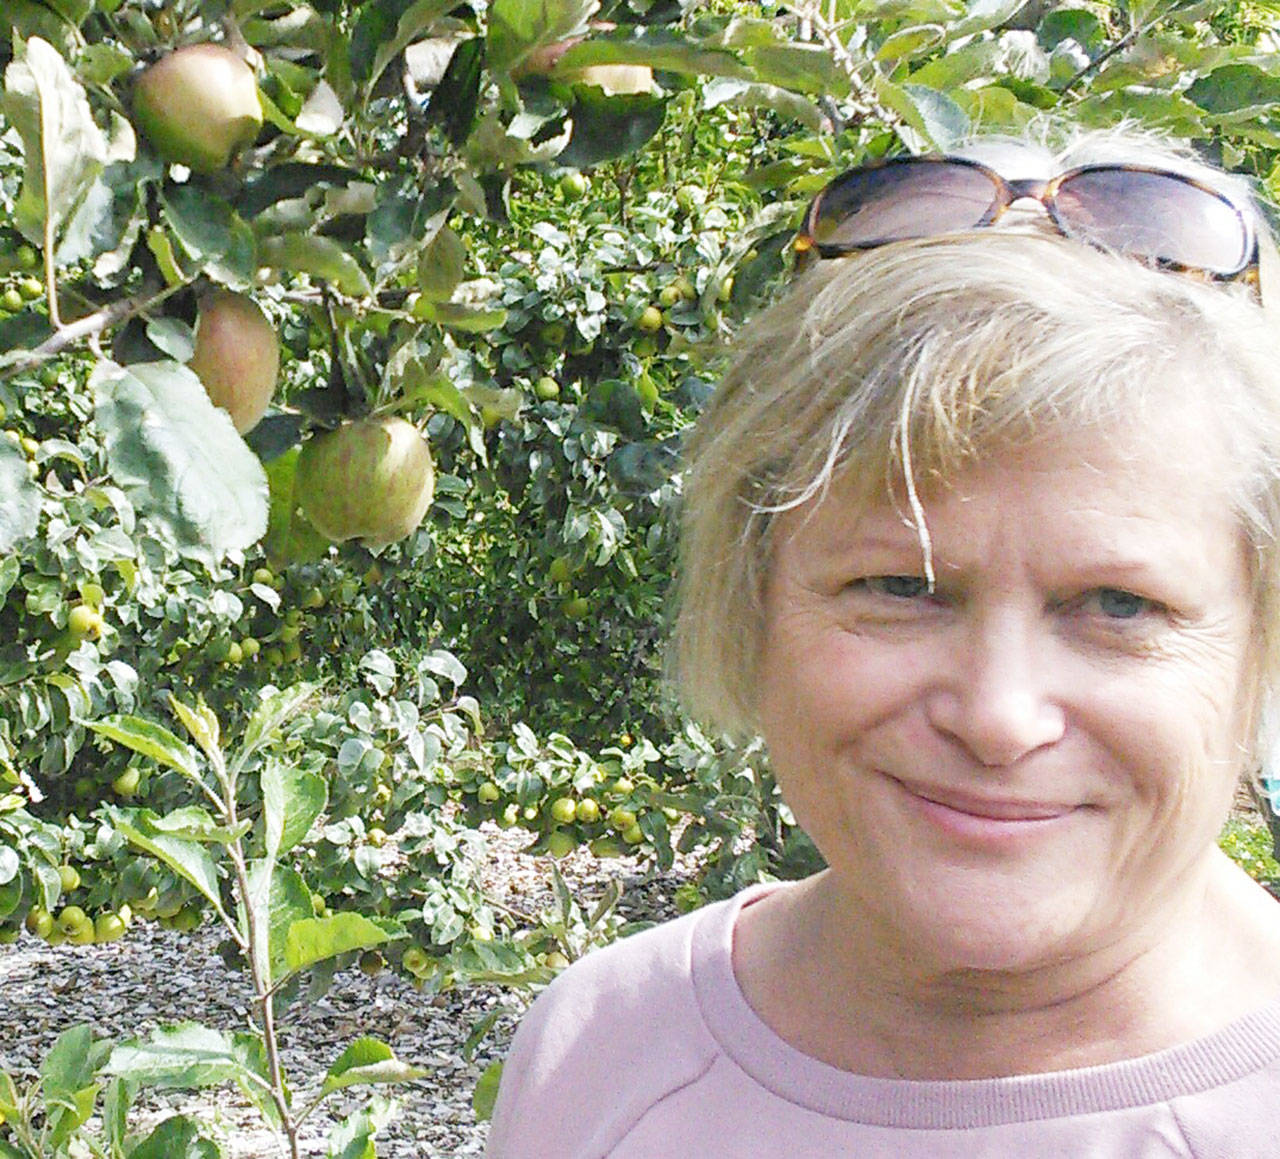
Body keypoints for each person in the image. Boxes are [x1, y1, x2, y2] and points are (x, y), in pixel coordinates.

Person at [485, 127, 1280, 1157]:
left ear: (1254, 637)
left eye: (1117, 605)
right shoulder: (605, 1050)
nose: (997, 716)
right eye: (900, 586)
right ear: (753, 599)